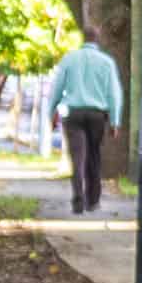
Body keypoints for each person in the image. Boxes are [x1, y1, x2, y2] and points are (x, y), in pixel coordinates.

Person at [48, 33, 123, 215]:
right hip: (97, 115)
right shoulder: (107, 62)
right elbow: (114, 94)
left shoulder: (69, 59)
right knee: (94, 156)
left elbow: (57, 88)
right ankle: (93, 200)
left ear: (83, 40)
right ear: (97, 41)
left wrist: (52, 113)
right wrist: (115, 121)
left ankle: (78, 201)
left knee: (77, 158)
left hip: (73, 114)